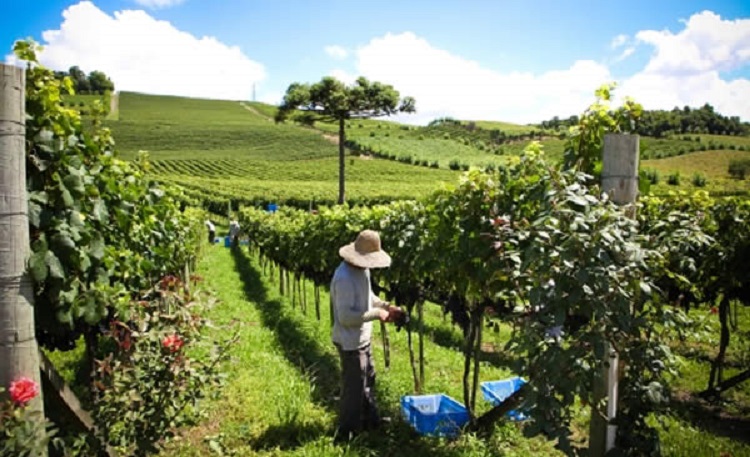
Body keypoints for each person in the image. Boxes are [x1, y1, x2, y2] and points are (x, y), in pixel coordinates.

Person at [330, 229, 403, 440]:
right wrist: (377, 314)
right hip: (350, 341)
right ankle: (347, 432)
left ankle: (371, 420)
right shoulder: (343, 278)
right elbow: (345, 317)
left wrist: (386, 306)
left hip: (363, 338)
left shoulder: (362, 270)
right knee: (354, 387)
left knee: (369, 378)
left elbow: (368, 295)